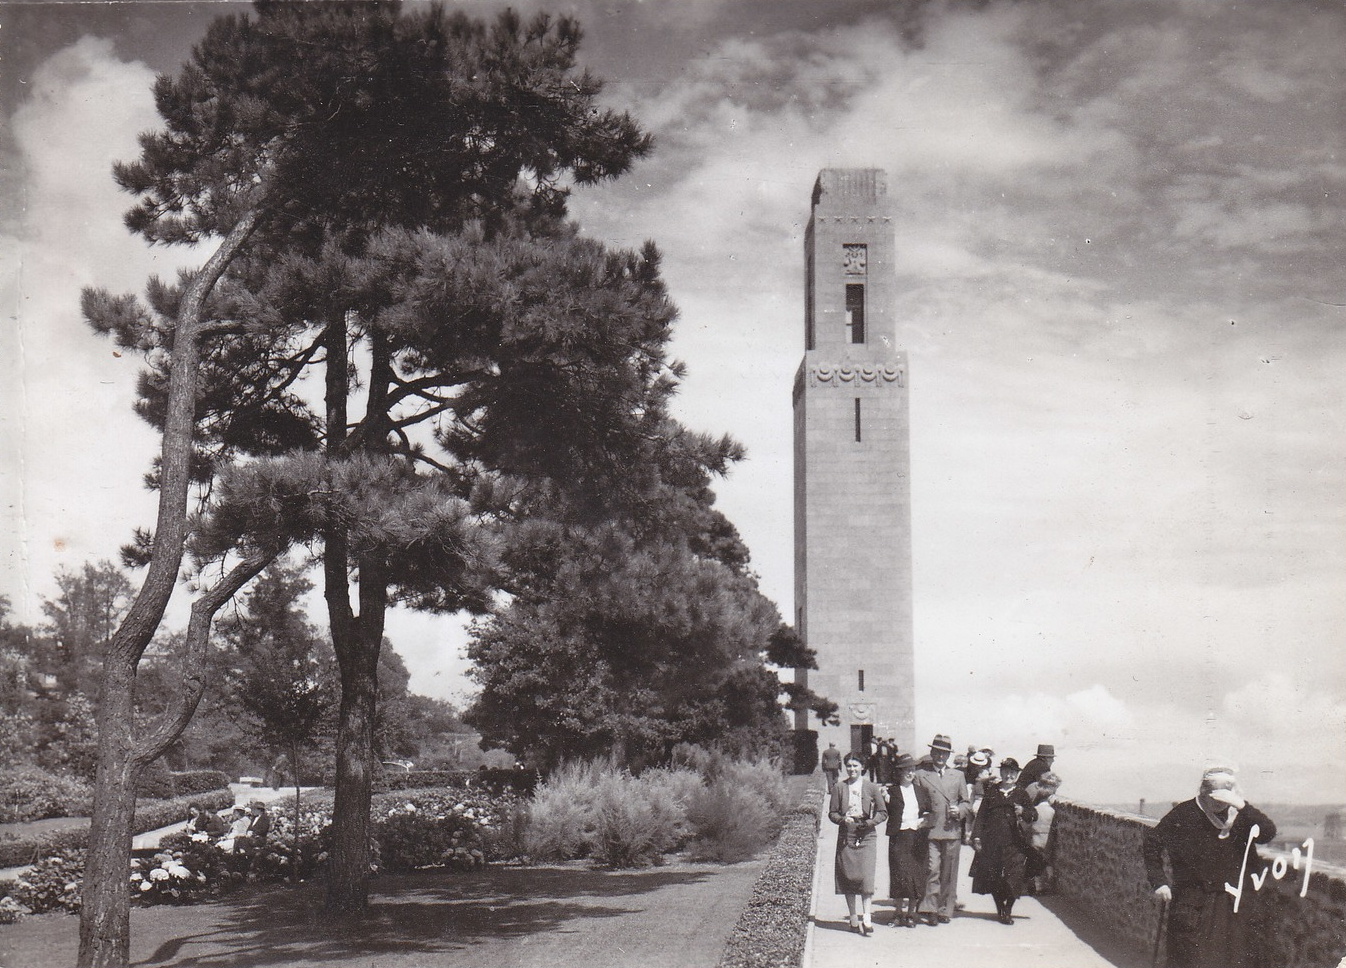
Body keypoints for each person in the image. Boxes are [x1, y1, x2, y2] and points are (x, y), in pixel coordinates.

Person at [1142, 765, 1277, 968]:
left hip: (1235, 906)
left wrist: (1242, 806)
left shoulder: (1240, 815)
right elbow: (1152, 842)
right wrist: (1159, 882)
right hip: (1196, 904)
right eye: (1216, 799)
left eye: (1226, 799)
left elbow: (1267, 833)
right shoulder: (1184, 814)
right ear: (1204, 791)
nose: (1221, 805)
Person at [913, 733, 972, 925]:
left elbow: (966, 803)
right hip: (931, 830)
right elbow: (916, 803)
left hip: (952, 829)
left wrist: (960, 810)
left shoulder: (958, 775)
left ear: (949, 756)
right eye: (937, 752)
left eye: (944, 753)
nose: (940, 756)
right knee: (932, 869)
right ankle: (930, 908)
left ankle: (945, 909)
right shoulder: (921, 775)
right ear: (931, 752)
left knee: (949, 871)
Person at [970, 757, 1037, 924]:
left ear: (1016, 774)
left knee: (1014, 877)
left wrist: (1022, 811)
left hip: (1014, 844)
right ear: (1001, 772)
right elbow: (981, 817)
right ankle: (1000, 907)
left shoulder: (1021, 794)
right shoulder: (992, 792)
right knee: (993, 878)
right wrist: (976, 837)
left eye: (1012, 772)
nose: (1009, 775)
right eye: (1006, 772)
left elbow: (1033, 815)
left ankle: (1008, 910)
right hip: (991, 842)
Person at [829, 752, 888, 935]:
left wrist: (870, 823)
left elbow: (882, 812)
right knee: (848, 876)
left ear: (862, 767)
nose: (852, 769)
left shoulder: (871, 787)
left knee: (866, 876)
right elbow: (832, 813)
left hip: (867, 834)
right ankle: (853, 918)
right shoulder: (839, 787)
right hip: (847, 833)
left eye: (855, 765)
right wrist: (842, 820)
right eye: (849, 765)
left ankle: (867, 918)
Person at [882, 752, 931, 927]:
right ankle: (897, 913)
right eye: (906, 770)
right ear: (899, 772)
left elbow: (928, 811)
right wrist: (884, 798)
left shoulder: (920, 790)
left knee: (915, 875)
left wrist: (924, 820)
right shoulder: (891, 791)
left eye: (912, 769)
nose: (910, 773)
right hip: (899, 836)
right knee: (899, 874)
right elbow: (882, 810)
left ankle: (911, 914)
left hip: (917, 837)